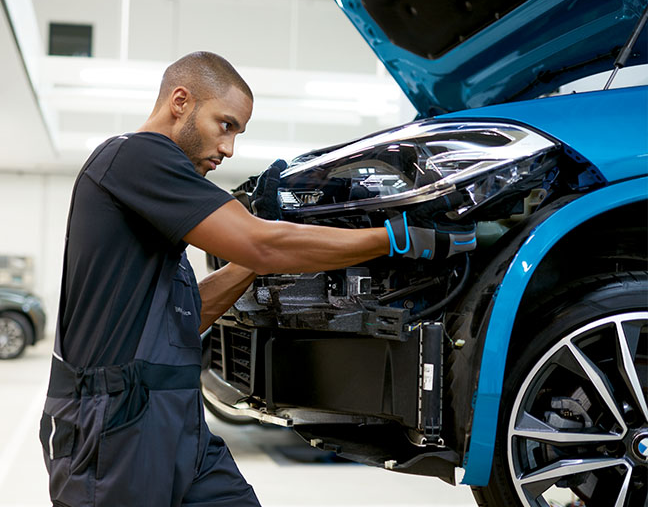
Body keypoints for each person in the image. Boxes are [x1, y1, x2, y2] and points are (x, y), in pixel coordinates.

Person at [39, 51, 475, 507]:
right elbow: (263, 245)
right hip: (113, 427)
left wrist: (255, 254)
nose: (229, 149)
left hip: (176, 421)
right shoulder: (134, 155)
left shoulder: (158, 213)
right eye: (225, 124)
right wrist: (392, 238)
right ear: (180, 101)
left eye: (237, 133)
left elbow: (190, 315)